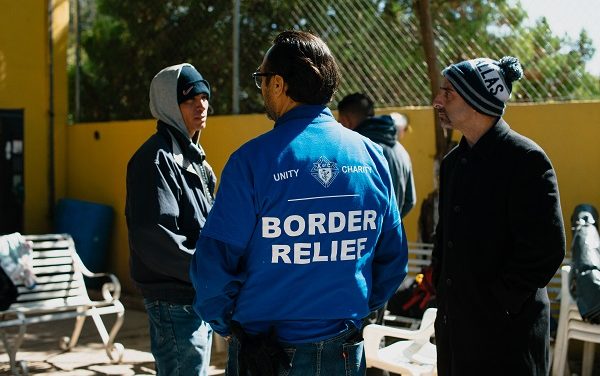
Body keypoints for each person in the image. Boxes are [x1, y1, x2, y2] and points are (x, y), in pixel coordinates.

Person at [190, 30, 408, 376]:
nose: (260, 88)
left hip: (265, 353)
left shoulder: (252, 161)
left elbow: (214, 264)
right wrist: (357, 308)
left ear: (278, 84)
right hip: (343, 351)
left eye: (261, 79)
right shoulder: (371, 155)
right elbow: (393, 259)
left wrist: (229, 325)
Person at [431, 56, 565, 375]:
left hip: (506, 342)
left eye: (448, 93)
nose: (437, 100)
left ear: (477, 101)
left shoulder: (526, 160)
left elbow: (546, 250)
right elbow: (446, 239)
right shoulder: (453, 163)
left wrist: (497, 305)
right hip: (456, 339)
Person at [125, 63, 215, 376]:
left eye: (204, 97)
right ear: (167, 104)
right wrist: (208, 269)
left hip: (195, 294)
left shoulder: (195, 159)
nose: (201, 105)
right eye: (190, 99)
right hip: (173, 299)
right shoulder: (155, 158)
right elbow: (154, 235)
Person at [338, 93, 416, 218]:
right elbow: (410, 201)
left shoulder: (355, 150)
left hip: (364, 234)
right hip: (393, 234)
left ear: (346, 121)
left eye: (339, 122)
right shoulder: (400, 150)